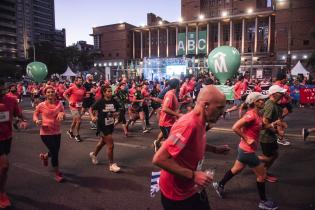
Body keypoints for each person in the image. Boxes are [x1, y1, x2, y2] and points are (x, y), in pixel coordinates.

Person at [152, 85, 230, 210]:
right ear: (206, 105)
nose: (222, 112)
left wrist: (214, 149)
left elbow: (192, 144)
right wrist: (194, 175)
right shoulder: (188, 125)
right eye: (220, 108)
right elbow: (160, 159)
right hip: (177, 195)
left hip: (192, 187)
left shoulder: (201, 121)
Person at [212, 92, 278, 210]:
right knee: (262, 175)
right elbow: (235, 127)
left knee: (236, 169)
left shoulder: (258, 114)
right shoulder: (251, 115)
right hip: (247, 151)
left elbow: (260, 127)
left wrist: (273, 124)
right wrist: (247, 138)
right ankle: (263, 201)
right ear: (255, 102)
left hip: (244, 149)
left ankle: (220, 185)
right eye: (261, 100)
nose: (264, 101)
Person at [0, 80, 27, 208]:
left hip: (6, 138)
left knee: (2, 168)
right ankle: (1, 194)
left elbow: (18, 113)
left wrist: (23, 120)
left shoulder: (11, 100)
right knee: (4, 166)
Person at [33, 86, 66, 182]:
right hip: (45, 132)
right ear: (45, 94)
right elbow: (35, 114)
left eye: (52, 92)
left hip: (57, 131)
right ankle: (57, 173)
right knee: (55, 153)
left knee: (55, 150)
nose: (51, 93)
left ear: (55, 93)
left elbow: (63, 113)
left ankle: (45, 157)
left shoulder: (59, 104)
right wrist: (36, 121)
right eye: (48, 92)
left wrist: (61, 114)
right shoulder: (41, 105)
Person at [89, 85, 121, 173]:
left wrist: (116, 114)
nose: (110, 93)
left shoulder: (114, 101)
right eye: (108, 91)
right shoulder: (100, 101)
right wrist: (92, 116)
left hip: (110, 125)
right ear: (104, 92)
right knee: (111, 145)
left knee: (102, 142)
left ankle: (94, 154)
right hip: (102, 126)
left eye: (111, 91)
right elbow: (90, 109)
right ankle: (111, 165)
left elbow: (118, 110)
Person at [259, 85, 287, 183]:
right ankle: (249, 159)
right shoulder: (270, 105)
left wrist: (280, 126)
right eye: (281, 93)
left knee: (273, 155)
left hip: (269, 135)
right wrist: (277, 132)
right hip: (266, 136)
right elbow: (265, 123)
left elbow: (276, 120)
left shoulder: (275, 104)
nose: (283, 94)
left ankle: (263, 171)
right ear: (274, 94)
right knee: (270, 156)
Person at [154, 79, 182, 152]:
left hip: (170, 122)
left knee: (176, 142)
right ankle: (159, 146)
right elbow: (165, 109)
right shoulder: (170, 94)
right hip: (166, 123)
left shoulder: (173, 93)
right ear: (176, 86)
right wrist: (178, 115)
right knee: (175, 143)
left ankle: (157, 143)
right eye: (179, 84)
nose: (180, 85)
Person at [63, 76, 86, 142]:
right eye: (79, 80)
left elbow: (83, 96)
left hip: (79, 106)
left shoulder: (83, 88)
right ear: (75, 81)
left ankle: (70, 131)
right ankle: (77, 135)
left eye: (81, 80)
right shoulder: (72, 88)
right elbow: (64, 94)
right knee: (79, 120)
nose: (80, 82)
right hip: (73, 106)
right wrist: (69, 101)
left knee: (75, 120)